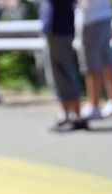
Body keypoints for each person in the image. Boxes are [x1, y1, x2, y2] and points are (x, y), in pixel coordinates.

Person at [39, 0, 88, 131]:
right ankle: (66, 113)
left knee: (65, 72)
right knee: (57, 74)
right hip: (55, 27)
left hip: (60, 28)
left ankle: (76, 115)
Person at [75, 0, 112, 119]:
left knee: (92, 64)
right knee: (106, 61)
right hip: (103, 16)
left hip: (91, 18)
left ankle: (94, 105)